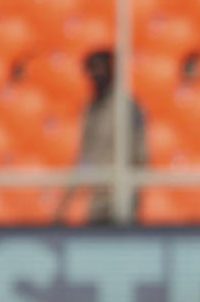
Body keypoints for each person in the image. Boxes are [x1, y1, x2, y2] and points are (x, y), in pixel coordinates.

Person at [56, 48, 147, 224]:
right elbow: (85, 158)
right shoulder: (91, 109)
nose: (96, 75)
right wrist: (65, 203)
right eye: (92, 70)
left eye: (100, 69)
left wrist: (132, 195)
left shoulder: (127, 107)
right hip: (96, 200)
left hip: (120, 200)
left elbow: (140, 154)